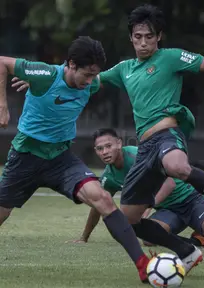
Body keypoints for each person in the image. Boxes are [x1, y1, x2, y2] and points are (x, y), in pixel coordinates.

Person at [11, 4, 204, 271]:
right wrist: (41, 82)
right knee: (128, 220)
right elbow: (84, 77)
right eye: (137, 37)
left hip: (167, 135)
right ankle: (186, 250)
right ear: (131, 38)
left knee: (177, 167)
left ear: (159, 37)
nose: (143, 42)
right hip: (145, 149)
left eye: (149, 37)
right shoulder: (123, 69)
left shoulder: (170, 57)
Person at [0, 36, 162, 283]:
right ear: (71, 64)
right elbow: (2, 62)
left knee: (103, 199)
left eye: (93, 76)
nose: (90, 82)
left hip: (61, 159)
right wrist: (2, 104)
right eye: (86, 75)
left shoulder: (91, 83)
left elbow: (112, 76)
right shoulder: (44, 74)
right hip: (25, 158)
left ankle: (142, 264)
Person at [69, 128, 204, 248]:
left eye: (108, 146)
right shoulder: (110, 177)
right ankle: (198, 238)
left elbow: (169, 184)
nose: (105, 152)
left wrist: (147, 206)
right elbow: (98, 205)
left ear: (118, 143)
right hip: (167, 209)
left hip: (190, 200)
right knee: (148, 239)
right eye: (100, 149)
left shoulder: (138, 156)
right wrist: (84, 237)